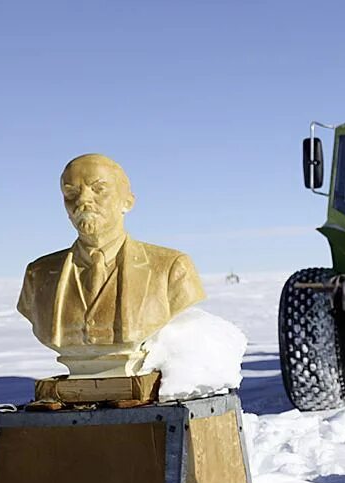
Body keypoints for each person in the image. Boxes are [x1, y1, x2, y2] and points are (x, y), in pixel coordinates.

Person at [18, 154, 205, 377]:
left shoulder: (171, 268)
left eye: (98, 189)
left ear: (127, 202)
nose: (82, 200)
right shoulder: (38, 274)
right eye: (71, 192)